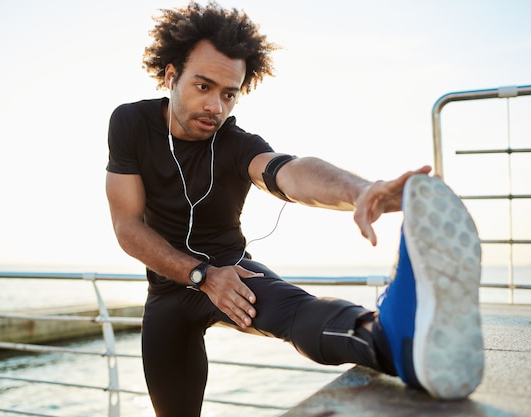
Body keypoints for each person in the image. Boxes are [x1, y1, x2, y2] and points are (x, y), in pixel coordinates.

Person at [105, 2, 484, 416]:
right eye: (203, 86)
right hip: (168, 293)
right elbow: (127, 227)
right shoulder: (131, 123)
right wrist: (200, 275)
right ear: (171, 75)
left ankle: (398, 343)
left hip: (234, 272)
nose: (217, 106)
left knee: (297, 312)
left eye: (229, 94)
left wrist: (360, 190)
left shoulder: (236, 143)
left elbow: (289, 172)